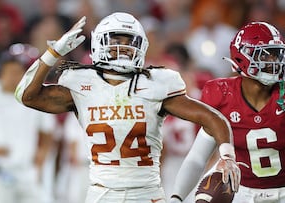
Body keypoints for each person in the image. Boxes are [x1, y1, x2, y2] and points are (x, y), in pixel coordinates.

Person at [14, 12, 240, 203]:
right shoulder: (81, 84)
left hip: (146, 193)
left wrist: (227, 156)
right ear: (100, 42)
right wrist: (52, 54)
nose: (122, 48)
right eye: (116, 40)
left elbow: (213, 118)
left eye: (128, 41)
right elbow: (27, 95)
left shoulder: (156, 83)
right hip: (101, 193)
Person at [170, 22, 285, 203]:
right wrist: (177, 197)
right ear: (242, 58)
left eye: (277, 54)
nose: (274, 62)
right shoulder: (222, 95)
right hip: (240, 194)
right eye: (266, 55)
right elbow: (197, 158)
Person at [0, 54, 55, 203]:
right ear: (1, 74)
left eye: (17, 72)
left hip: (27, 170)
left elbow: (47, 131)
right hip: (0, 169)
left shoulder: (30, 97)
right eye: (10, 72)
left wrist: (41, 156)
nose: (13, 77)